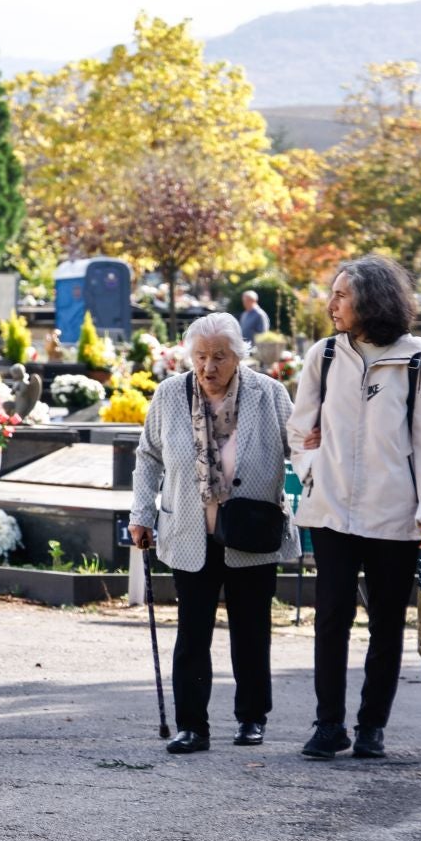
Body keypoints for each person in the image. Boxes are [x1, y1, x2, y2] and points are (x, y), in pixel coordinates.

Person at [290, 253, 421, 761]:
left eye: (341, 295)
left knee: (385, 623)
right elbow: (299, 427)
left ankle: (372, 726)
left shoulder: (418, 362)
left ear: (370, 301)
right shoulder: (326, 356)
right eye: (332, 294)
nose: (330, 304)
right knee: (331, 617)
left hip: (393, 513)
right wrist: (311, 464)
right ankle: (328, 725)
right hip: (333, 509)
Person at [128, 312, 297, 754]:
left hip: (252, 532)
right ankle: (192, 726)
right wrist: (141, 514)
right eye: (201, 357)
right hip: (190, 530)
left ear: (238, 356)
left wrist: (318, 503)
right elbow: (148, 457)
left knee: (251, 631)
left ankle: (252, 718)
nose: (208, 367)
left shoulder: (270, 394)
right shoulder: (169, 395)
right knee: (192, 633)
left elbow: (301, 450)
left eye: (219, 357)